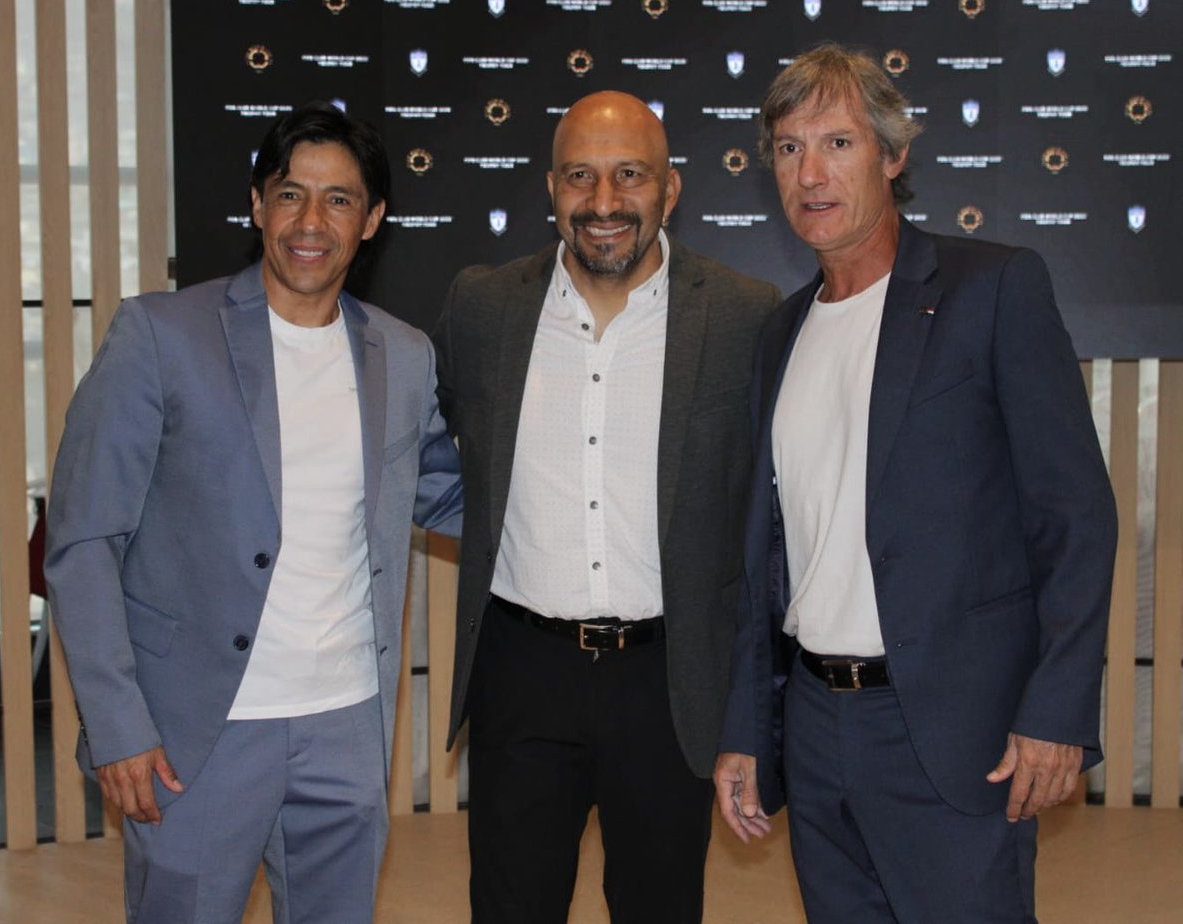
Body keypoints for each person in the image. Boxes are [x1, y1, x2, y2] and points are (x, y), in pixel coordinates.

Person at [715, 43, 1117, 923]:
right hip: (815, 730)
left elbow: (1076, 514)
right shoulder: (779, 335)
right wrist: (749, 730)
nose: (810, 174)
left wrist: (1056, 710)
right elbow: (767, 557)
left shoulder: (992, 289)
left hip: (952, 730)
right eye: (789, 148)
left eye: (838, 143)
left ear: (893, 155)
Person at [45, 102, 462, 922]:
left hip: (346, 724)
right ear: (257, 204)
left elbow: (445, 493)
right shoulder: (161, 334)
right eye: (290, 194)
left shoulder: (404, 354)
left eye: (339, 200)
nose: (311, 222)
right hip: (195, 731)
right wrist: (118, 723)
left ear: (372, 219)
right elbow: (83, 540)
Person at [432, 91, 779, 923]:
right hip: (522, 670)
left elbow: (769, 517)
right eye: (580, 177)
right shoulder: (482, 307)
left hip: (668, 680)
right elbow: (431, 448)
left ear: (671, 188)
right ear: (551, 188)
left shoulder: (744, 315)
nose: (603, 202)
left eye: (630, 175)